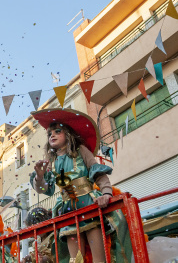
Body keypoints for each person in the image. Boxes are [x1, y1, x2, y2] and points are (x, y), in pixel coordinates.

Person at [29, 108, 132, 263]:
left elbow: (98, 173)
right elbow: (46, 190)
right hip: (67, 212)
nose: (52, 135)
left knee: (99, 259)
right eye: (50, 134)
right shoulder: (51, 162)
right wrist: (39, 176)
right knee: (75, 260)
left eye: (57, 131)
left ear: (68, 134)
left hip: (88, 205)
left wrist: (106, 194)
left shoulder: (81, 151)